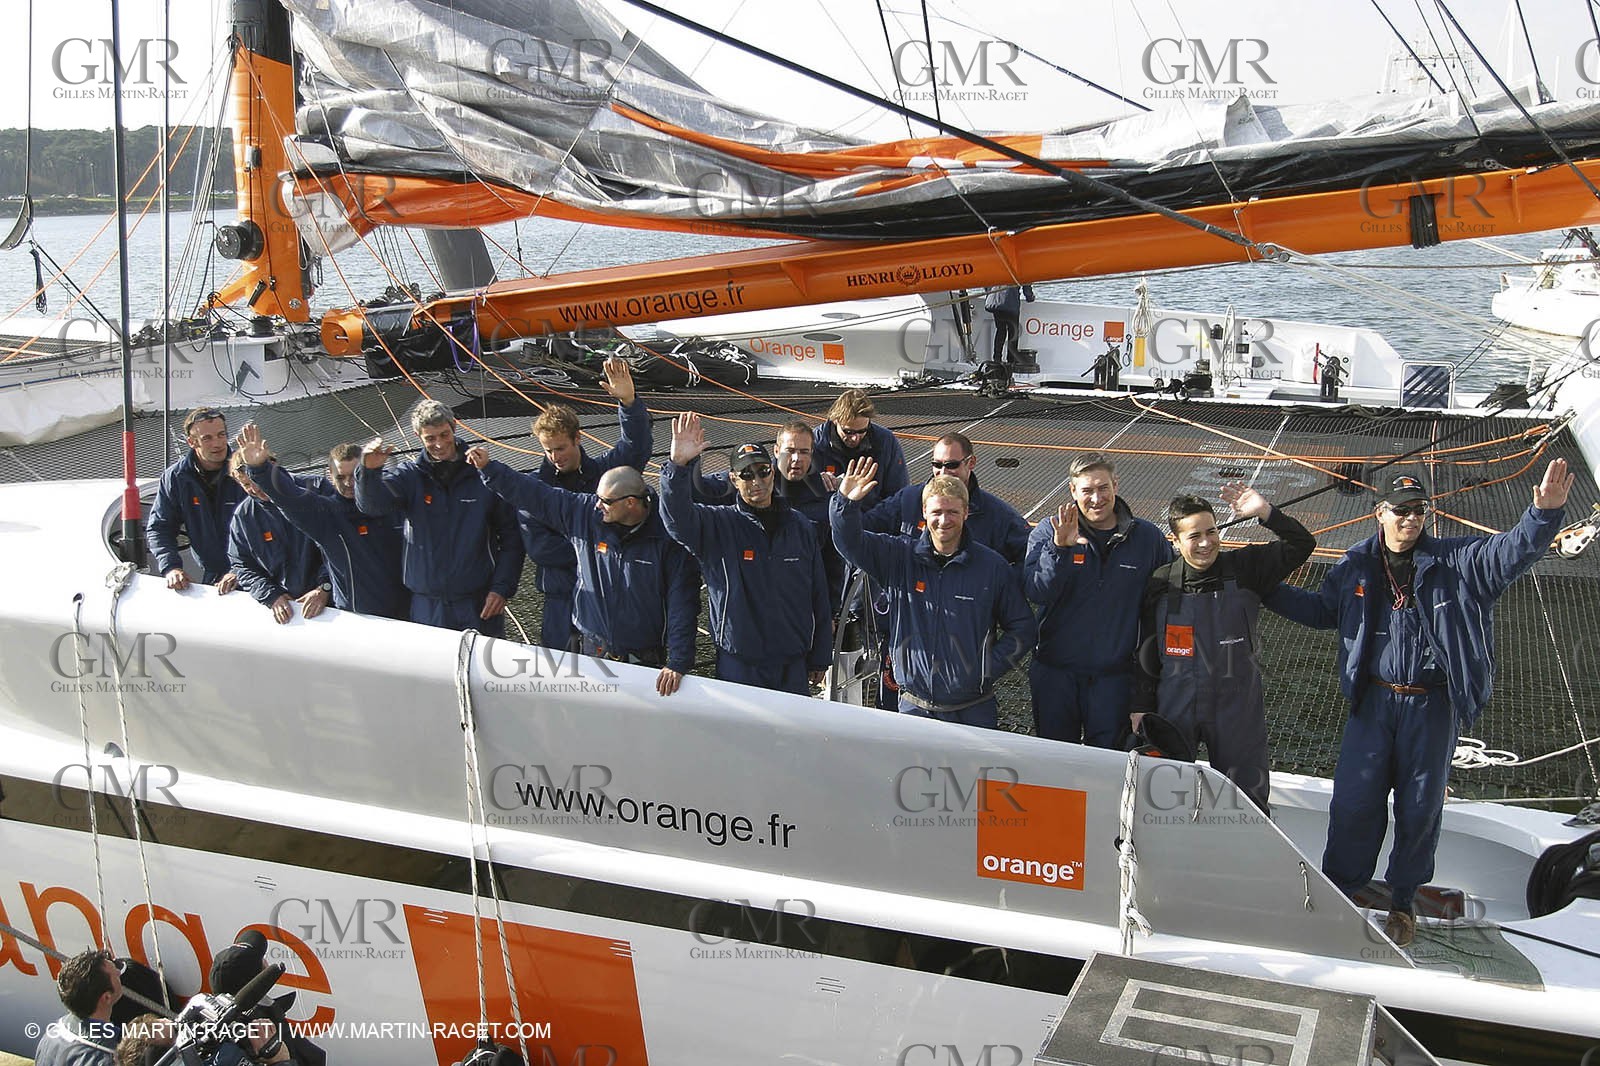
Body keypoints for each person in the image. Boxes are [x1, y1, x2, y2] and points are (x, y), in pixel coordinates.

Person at [1266, 463, 1572, 946]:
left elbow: (1512, 552)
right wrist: (1262, 587)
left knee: (1420, 809)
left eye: (1419, 510)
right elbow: (1321, 611)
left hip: (1432, 709)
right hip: (1374, 704)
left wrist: (1543, 513)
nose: (1412, 519)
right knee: (1353, 803)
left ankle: (1403, 902)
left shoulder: (1460, 563)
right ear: (1379, 513)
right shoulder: (1355, 565)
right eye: (1402, 511)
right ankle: (1340, 895)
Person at [1131, 485, 1316, 814]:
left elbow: (1302, 544)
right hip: (1175, 708)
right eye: (1194, 536)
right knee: (1165, 801)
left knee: (1247, 805)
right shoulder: (1160, 583)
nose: (1205, 543)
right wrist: (1140, 706)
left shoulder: (1247, 567)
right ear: (1175, 541)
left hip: (1236, 710)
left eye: (1211, 531)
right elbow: (1146, 651)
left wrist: (1265, 513)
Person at [468, 448, 699, 696]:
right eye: (598, 497)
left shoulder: (667, 539)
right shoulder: (586, 513)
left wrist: (677, 661)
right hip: (591, 650)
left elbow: (682, 603)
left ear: (630, 503)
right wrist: (490, 469)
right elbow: (537, 496)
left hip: (644, 658)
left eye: (606, 501)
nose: (598, 505)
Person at [831, 457, 1036, 727]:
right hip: (914, 709)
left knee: (970, 772)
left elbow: (1023, 628)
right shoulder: (898, 557)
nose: (944, 520)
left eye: (952, 512)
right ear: (924, 512)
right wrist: (845, 503)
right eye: (937, 512)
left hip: (973, 711)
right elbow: (849, 542)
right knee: (913, 771)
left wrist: (985, 669)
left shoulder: (992, 568)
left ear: (966, 513)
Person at [660, 413, 832, 694]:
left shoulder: (800, 526)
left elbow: (818, 596)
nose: (757, 481)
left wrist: (820, 657)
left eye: (763, 471)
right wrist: (678, 466)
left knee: (794, 738)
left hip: (793, 665)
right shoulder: (718, 526)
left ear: (772, 472)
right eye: (747, 474)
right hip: (739, 665)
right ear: (733, 479)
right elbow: (676, 519)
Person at [1025, 453, 1172, 747]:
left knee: (1108, 765)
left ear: (1115, 485)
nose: (1096, 498)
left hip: (1114, 679)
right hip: (1055, 674)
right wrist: (1060, 550)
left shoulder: (1148, 539)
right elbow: (1036, 591)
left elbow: (1165, 606)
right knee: (1055, 759)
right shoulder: (1049, 531)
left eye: (1103, 488)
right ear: (1072, 491)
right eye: (1087, 490)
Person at [354, 399, 524, 636]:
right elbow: (372, 507)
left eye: (444, 434)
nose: (440, 444)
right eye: (430, 438)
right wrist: (369, 473)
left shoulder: (483, 474)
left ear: (454, 427)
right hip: (428, 606)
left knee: (487, 671)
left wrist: (502, 588)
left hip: (478, 603)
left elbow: (512, 538)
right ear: (418, 436)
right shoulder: (409, 477)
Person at [518, 356, 653, 650]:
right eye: (549, 450)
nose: (555, 456)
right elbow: (540, 548)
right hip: (561, 603)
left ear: (578, 438)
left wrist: (629, 403)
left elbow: (636, 447)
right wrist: (599, 546)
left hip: (610, 600)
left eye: (561, 447)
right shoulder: (536, 491)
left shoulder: (605, 473)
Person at [238, 429, 409, 620]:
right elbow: (290, 498)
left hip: (409, 613)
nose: (349, 484)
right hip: (360, 618)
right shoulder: (327, 516)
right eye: (341, 477)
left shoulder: (394, 501)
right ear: (330, 475)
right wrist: (261, 469)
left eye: (355, 476)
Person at [693, 419, 844, 607]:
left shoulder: (824, 496)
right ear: (776, 450)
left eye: (804, 452)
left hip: (799, 605)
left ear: (812, 453)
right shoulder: (749, 479)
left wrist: (830, 611)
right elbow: (696, 492)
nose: (796, 458)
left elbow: (832, 562)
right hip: (749, 604)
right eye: (790, 451)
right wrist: (683, 464)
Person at [861, 432, 1028, 567]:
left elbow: (1031, 558)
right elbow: (861, 531)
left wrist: (996, 586)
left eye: (951, 465)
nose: (943, 472)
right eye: (937, 464)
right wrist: (845, 501)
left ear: (971, 463)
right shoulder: (908, 500)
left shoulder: (998, 515)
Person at [146, 407, 245, 593]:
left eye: (221, 434)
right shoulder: (175, 478)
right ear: (192, 442)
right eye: (207, 438)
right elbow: (160, 528)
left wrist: (242, 570)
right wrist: (171, 567)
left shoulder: (247, 471)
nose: (218, 443)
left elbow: (273, 525)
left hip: (256, 573)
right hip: (214, 576)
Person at [226, 450, 330, 625]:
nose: (255, 489)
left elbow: (342, 546)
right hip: (290, 609)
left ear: (272, 466)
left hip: (334, 601)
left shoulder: (317, 488)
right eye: (246, 485)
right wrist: (272, 595)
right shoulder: (243, 517)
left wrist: (326, 588)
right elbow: (241, 564)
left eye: (256, 480)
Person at [811, 390, 907, 510]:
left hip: (871, 517)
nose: (855, 438)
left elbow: (898, 493)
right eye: (848, 432)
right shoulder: (814, 442)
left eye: (862, 431)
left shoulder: (886, 442)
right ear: (835, 421)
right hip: (826, 517)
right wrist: (814, 480)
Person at [34, 948, 121, 1066]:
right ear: (106, 997)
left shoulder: (51, 1035)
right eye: (115, 975)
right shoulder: (108, 1058)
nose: (119, 972)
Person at [984, 283, 1034, 365]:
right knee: (1013, 332)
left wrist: (990, 293)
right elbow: (1027, 287)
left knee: (1000, 330)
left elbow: (986, 283)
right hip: (1010, 303)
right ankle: (1011, 360)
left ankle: (997, 358)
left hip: (995, 301)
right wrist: (1030, 297)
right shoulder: (1020, 270)